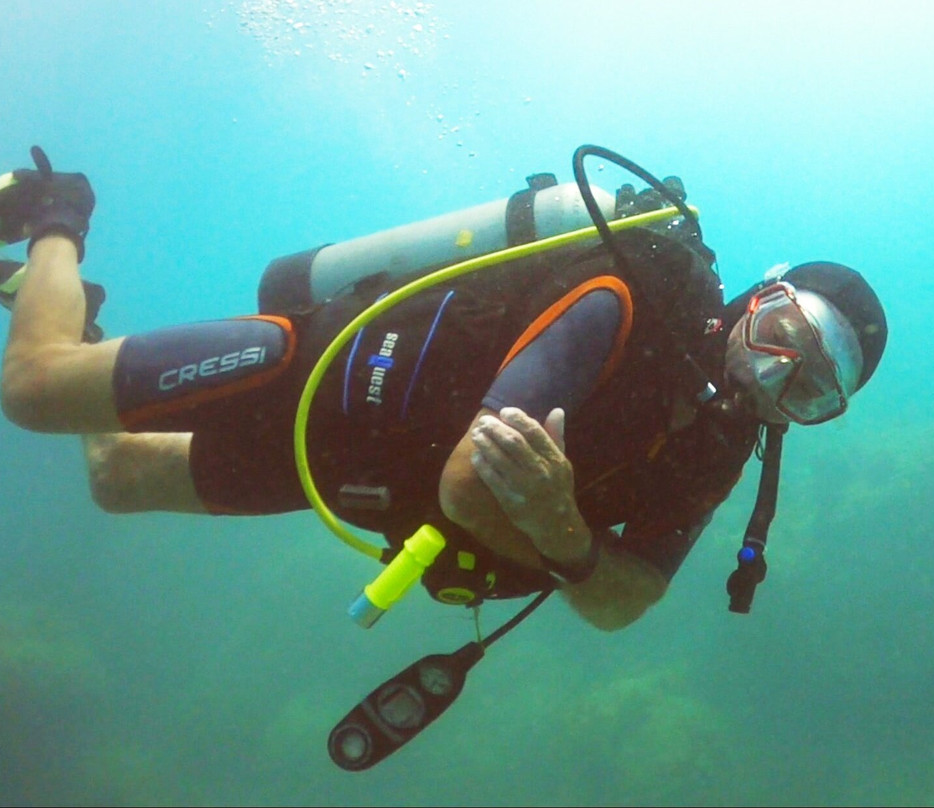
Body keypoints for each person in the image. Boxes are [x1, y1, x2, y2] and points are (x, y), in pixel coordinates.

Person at [0, 146, 887, 632]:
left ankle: (81, 320)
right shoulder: (634, 292)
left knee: (117, 479)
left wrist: (564, 534)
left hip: (360, 477)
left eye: (807, 390)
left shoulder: (715, 449)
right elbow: (471, 482)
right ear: (759, 298)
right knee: (33, 391)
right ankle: (56, 216)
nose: (770, 377)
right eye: (783, 340)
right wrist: (568, 542)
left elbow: (624, 605)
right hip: (325, 370)